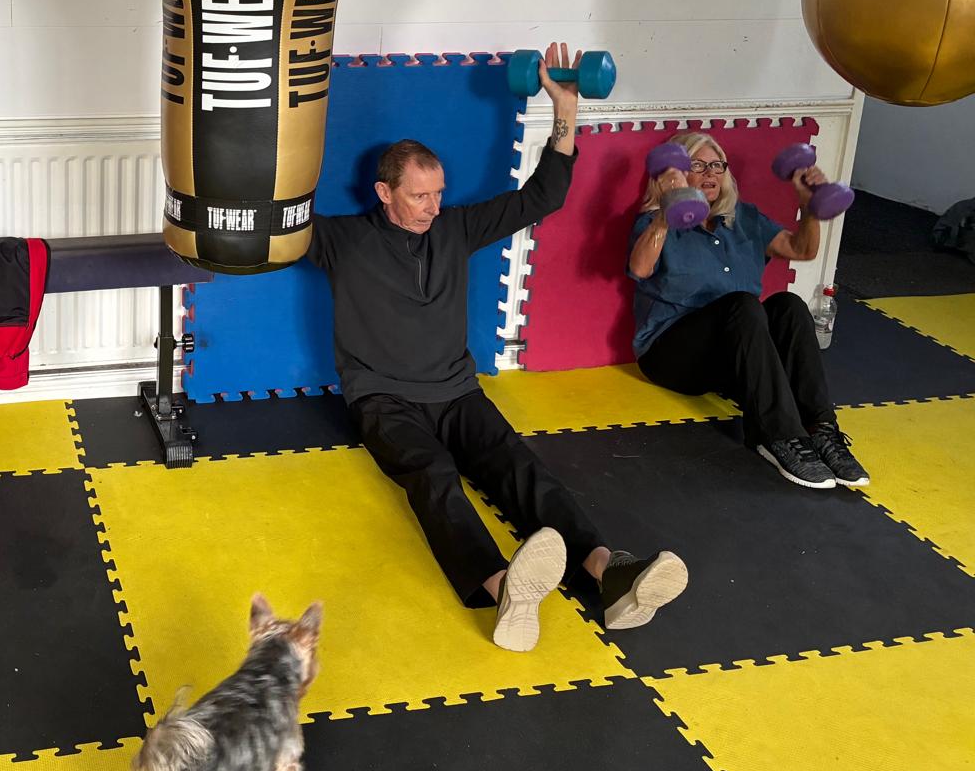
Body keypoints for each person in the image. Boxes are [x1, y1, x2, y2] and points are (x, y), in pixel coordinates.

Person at [303, 43, 688, 652]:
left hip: (457, 391)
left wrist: (565, 109)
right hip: (382, 399)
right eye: (419, 196)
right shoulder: (340, 240)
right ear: (384, 192)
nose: (433, 207)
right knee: (434, 478)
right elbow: (268, 225)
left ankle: (607, 571)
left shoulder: (454, 227)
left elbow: (542, 197)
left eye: (438, 193)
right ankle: (503, 586)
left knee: (520, 467)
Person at [627, 132, 869, 490]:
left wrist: (809, 207)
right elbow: (640, 268)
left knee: (788, 305)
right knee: (742, 304)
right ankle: (777, 436)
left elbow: (801, 250)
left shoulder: (745, 218)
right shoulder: (654, 222)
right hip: (672, 356)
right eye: (697, 165)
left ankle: (821, 428)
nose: (710, 173)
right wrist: (667, 211)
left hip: (733, 358)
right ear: (675, 174)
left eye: (717, 165)